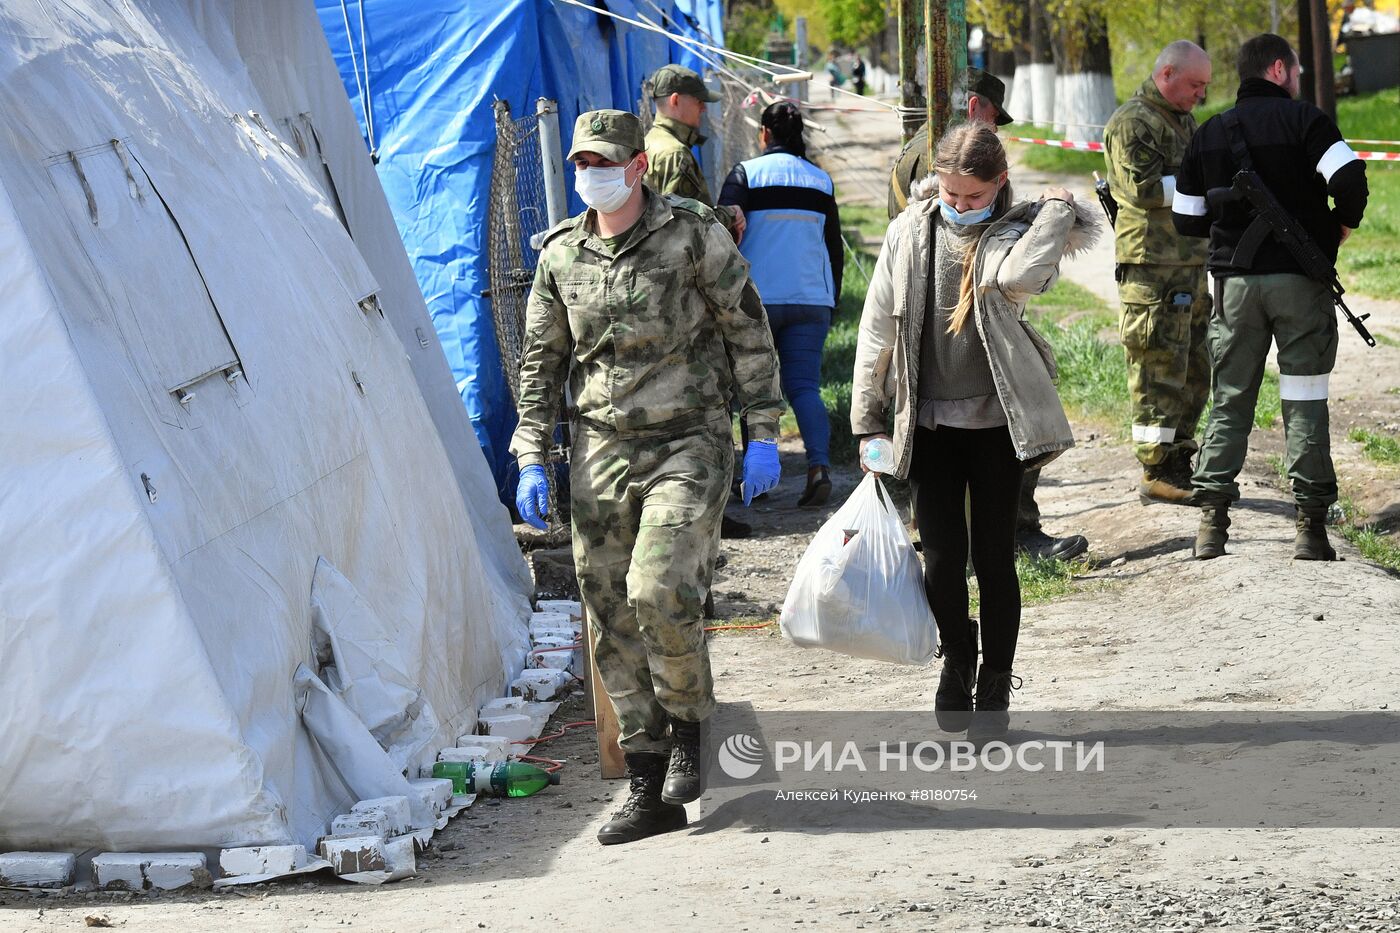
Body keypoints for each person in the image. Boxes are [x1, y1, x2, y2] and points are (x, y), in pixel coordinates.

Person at [511, 110, 783, 843]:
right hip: (599, 447)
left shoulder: (692, 232)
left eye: (602, 162)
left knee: (658, 587)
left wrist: (762, 431)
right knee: (609, 614)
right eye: (578, 164)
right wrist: (531, 451)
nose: (587, 175)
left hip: (687, 439)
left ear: (637, 167)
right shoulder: (561, 256)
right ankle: (646, 783)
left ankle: (692, 726)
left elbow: (746, 331)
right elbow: (541, 364)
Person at [852, 123, 1099, 741]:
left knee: (994, 558)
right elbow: (877, 325)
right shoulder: (910, 232)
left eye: (972, 196)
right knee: (939, 559)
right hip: (927, 422)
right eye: (949, 193)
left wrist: (1057, 213)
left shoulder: (1014, 233)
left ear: (999, 185)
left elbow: (1017, 281)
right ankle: (956, 663)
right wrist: (866, 421)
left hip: (997, 424)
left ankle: (996, 682)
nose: (958, 206)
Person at [1172, 33, 1367, 560]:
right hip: (1301, 286)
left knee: (1231, 398)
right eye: (1297, 71)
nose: (1299, 80)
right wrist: (1339, 226)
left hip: (1234, 288)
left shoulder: (1209, 132)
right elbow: (1350, 179)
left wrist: (1230, 225)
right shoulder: (1309, 122)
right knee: (1304, 399)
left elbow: (1187, 219)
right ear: (1279, 70)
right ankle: (1310, 529)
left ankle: (1211, 525)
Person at [887, 69, 1089, 564]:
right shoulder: (949, 160)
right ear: (978, 107)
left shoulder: (952, 152)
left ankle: (986, 540)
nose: (962, 204)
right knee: (969, 444)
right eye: (996, 118)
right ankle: (999, 537)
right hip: (952, 326)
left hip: (968, 316)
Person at [643, 63, 754, 542]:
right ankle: (708, 505)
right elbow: (676, 225)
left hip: (662, 299)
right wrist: (726, 218)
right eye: (697, 102)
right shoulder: (672, 156)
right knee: (706, 403)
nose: (705, 111)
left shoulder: (655, 148)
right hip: (684, 297)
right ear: (674, 102)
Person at [1103, 41, 1214, 506]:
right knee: (1156, 366)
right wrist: (1208, 183)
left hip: (1189, 263)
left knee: (1194, 368)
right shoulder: (1133, 122)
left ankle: (1178, 460)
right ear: (1166, 74)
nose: (1200, 96)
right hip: (1152, 268)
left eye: (1205, 87)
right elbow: (1143, 188)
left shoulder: (1182, 120)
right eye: (1194, 85)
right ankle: (1155, 466)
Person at [718, 101, 843, 508]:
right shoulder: (821, 181)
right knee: (805, 387)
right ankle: (819, 467)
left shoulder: (745, 176)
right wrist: (833, 297)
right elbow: (833, 249)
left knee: (753, 392)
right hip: (811, 301)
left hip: (757, 303)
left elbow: (721, 233)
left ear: (764, 135)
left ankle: (757, 480)